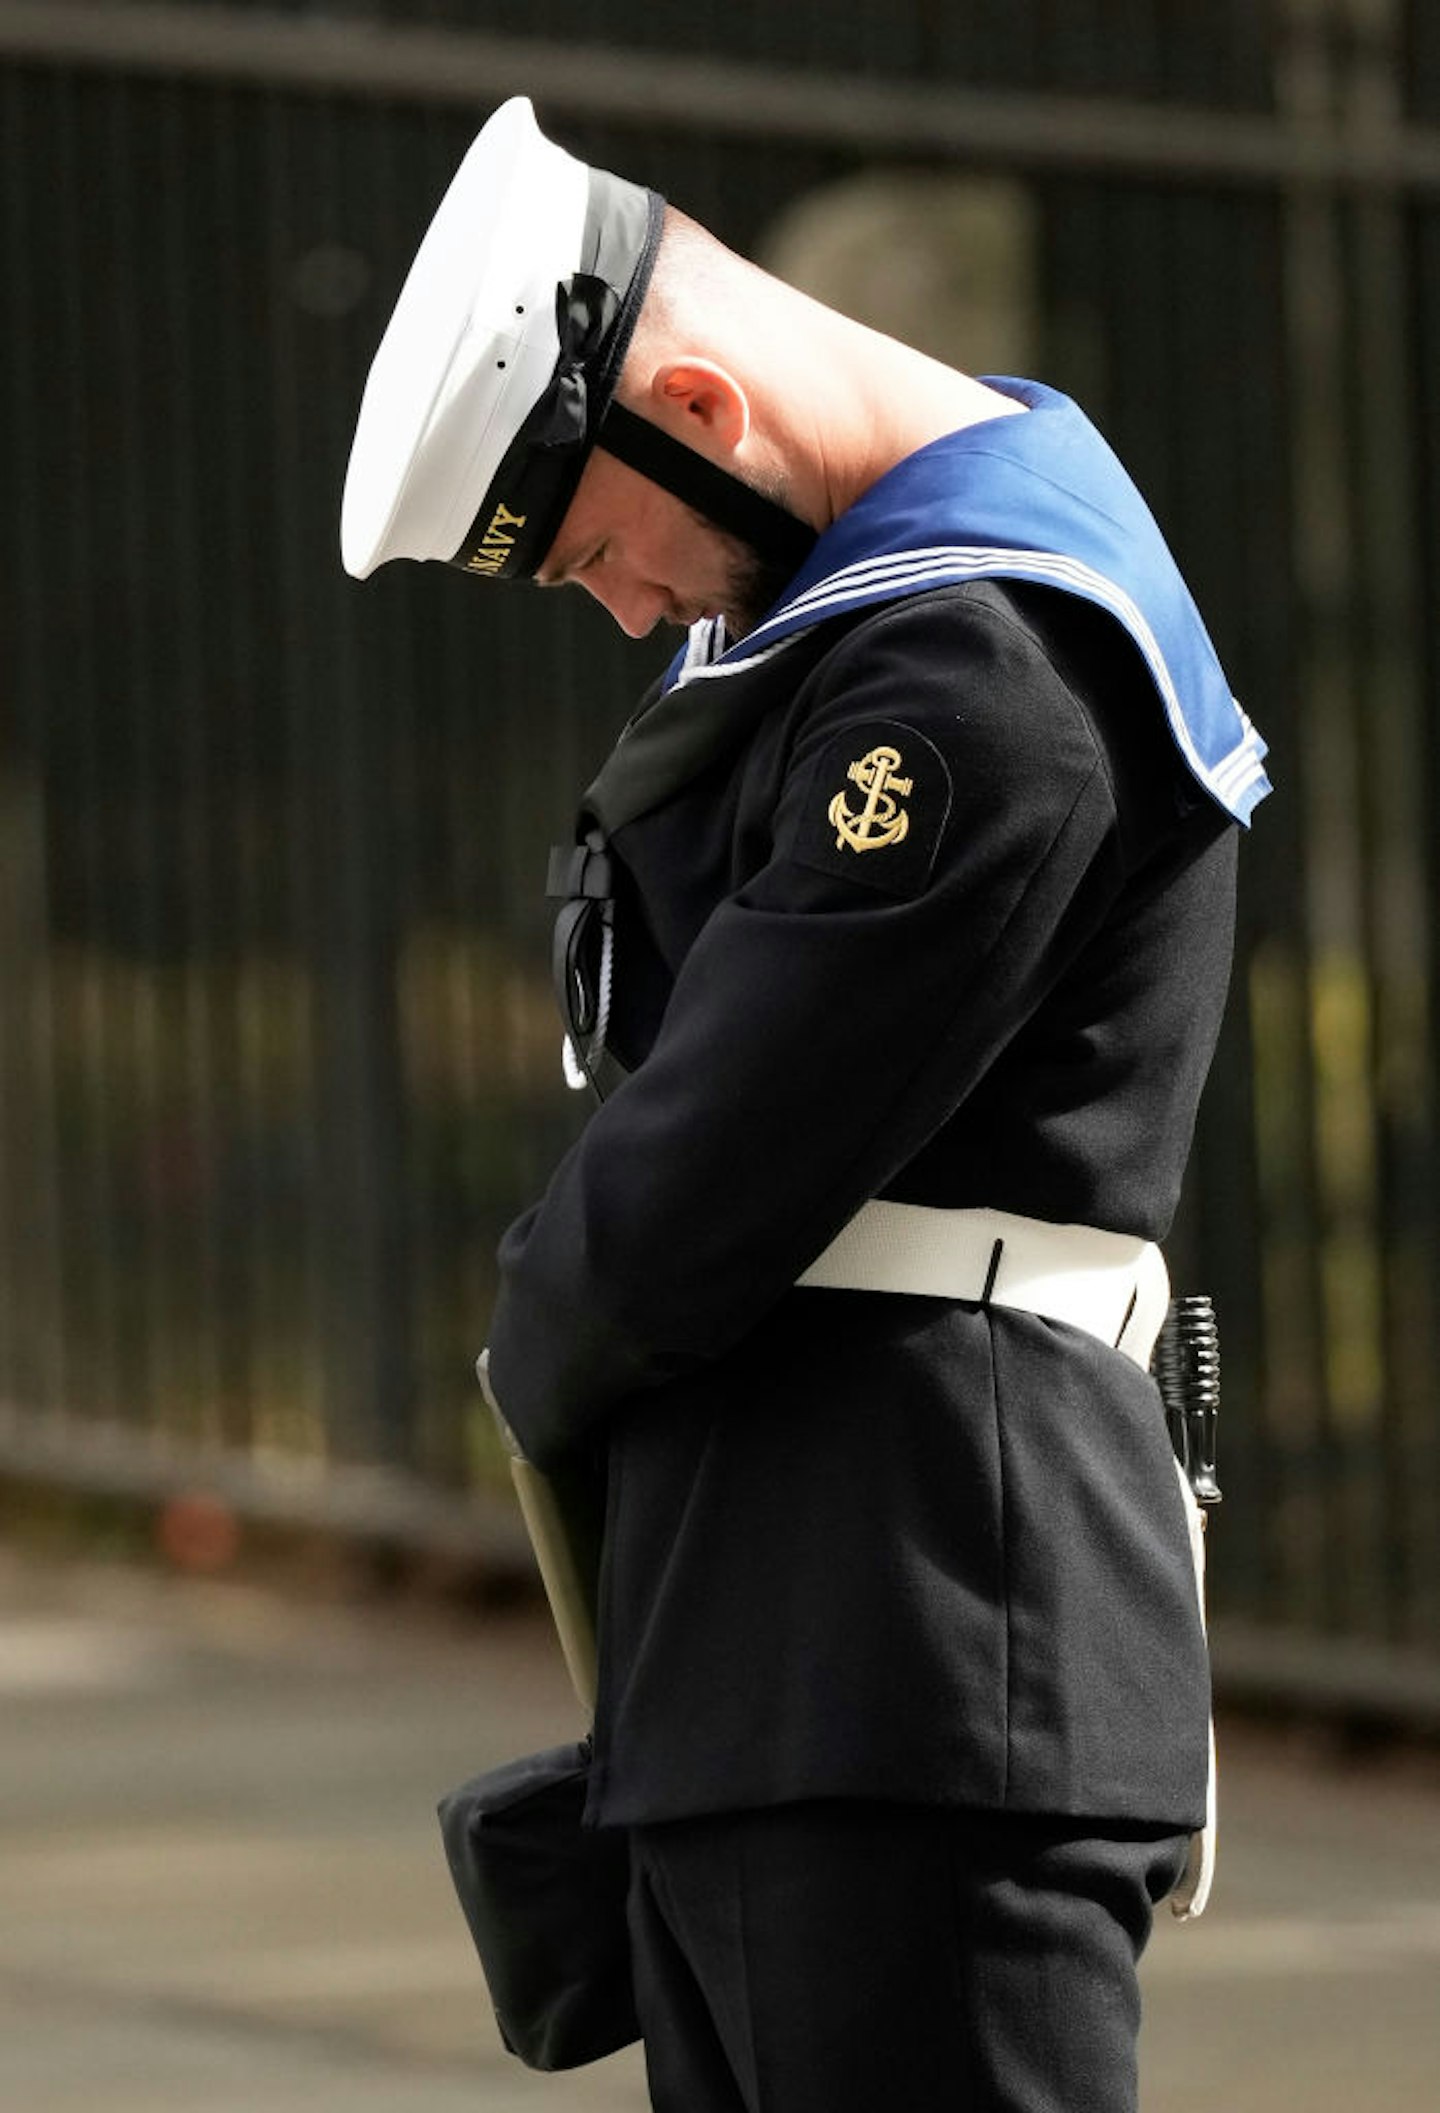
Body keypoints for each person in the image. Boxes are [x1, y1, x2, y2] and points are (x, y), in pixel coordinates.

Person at [343, 97, 1269, 2113]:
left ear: (694, 396)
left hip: (919, 1663)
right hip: (814, 1668)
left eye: (594, 548)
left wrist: (537, 1326)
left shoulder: (984, 678)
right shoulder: (884, 630)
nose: (613, 609)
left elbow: (680, 1200)